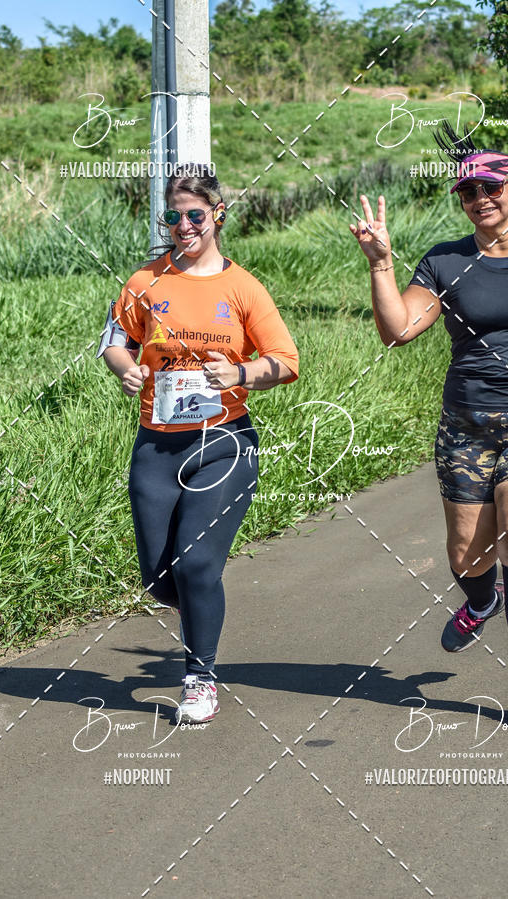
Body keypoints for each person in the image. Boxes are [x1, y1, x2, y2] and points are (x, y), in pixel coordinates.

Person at [350, 124, 508, 728]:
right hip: (468, 422)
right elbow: (399, 329)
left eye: (491, 186)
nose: (481, 198)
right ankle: (481, 602)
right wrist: (381, 265)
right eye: (467, 191)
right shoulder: (447, 261)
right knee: (467, 553)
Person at [98, 164, 299, 724]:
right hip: (157, 447)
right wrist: (125, 370)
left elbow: (285, 361)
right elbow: (115, 340)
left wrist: (237, 375)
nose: (183, 226)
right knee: (161, 580)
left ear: (217, 215)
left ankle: (199, 677)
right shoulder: (145, 282)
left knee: (196, 566)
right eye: (173, 216)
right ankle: (200, 611)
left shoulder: (243, 288)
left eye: (194, 215)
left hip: (223, 443)